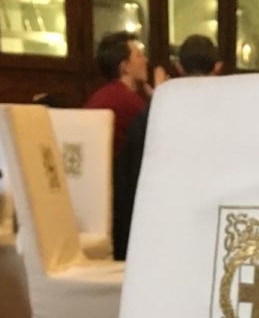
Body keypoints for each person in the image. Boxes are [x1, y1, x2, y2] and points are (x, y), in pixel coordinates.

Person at [112, 34, 222, 261]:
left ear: (179, 68)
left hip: (152, 229)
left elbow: (128, 176)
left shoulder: (153, 114)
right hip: (206, 231)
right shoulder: (228, 114)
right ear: (217, 68)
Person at [84, 31, 150, 157]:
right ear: (125, 67)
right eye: (139, 56)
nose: (145, 60)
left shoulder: (101, 95)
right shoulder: (127, 101)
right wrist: (159, 98)